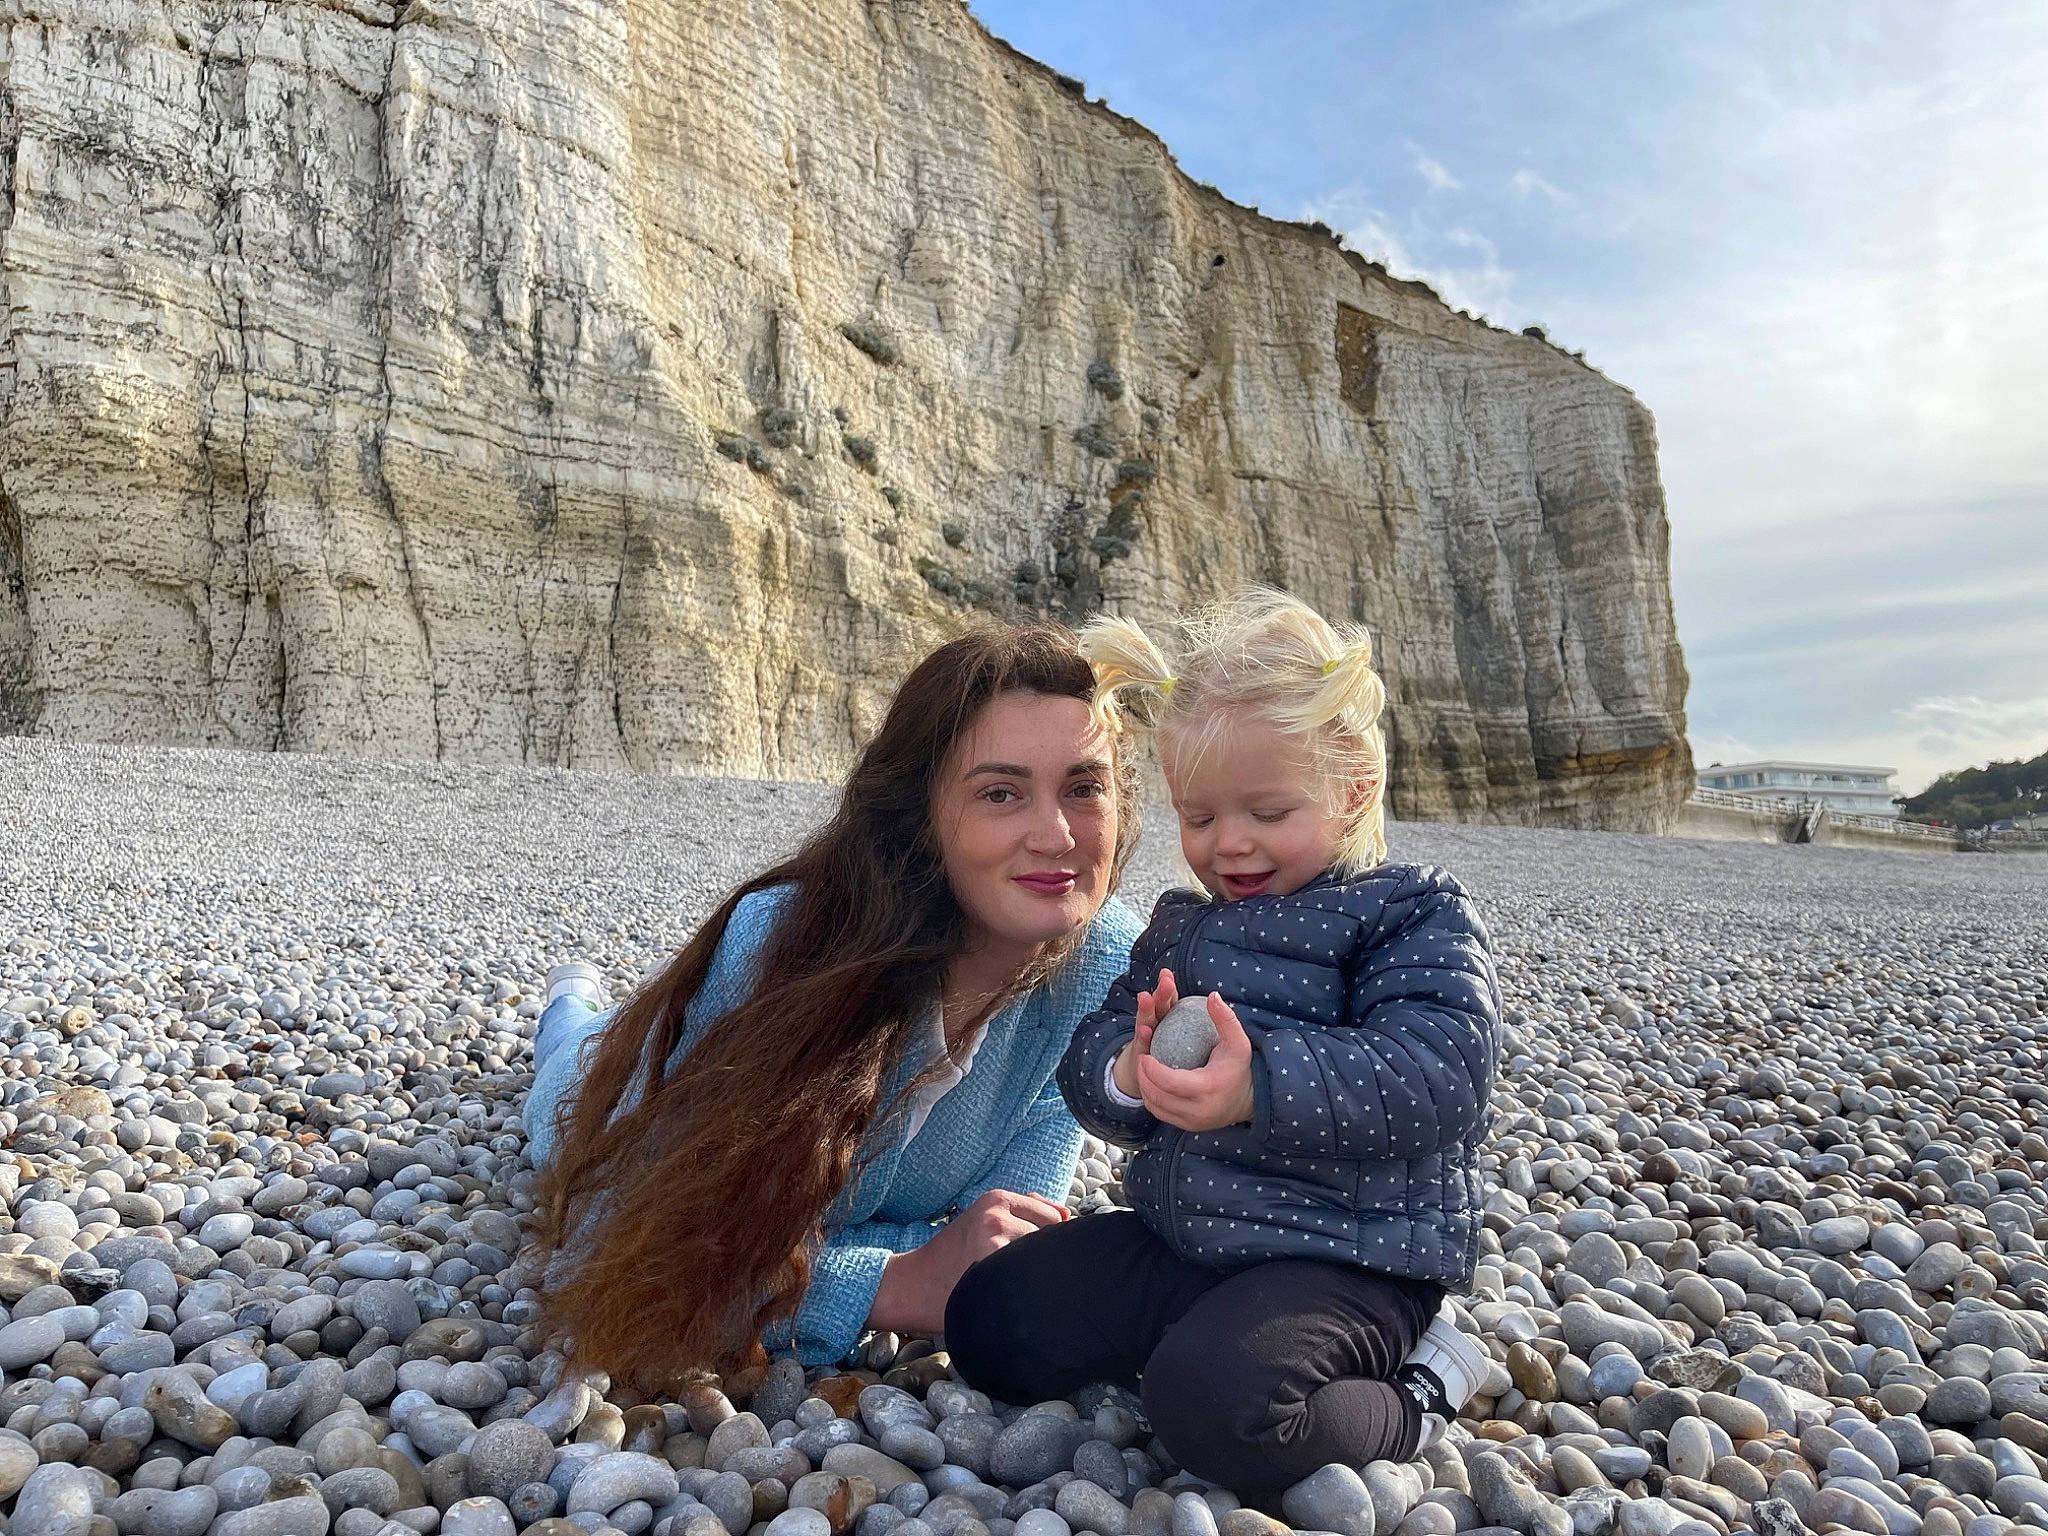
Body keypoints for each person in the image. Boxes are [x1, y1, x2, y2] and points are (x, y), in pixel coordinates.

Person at [945, 588, 1502, 1500]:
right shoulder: (1184, 929)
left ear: (1353, 787)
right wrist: (1127, 1072)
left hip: (1347, 1262)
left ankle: (1421, 1386)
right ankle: (1207, 1341)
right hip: (1187, 1242)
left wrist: (1260, 1087)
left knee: (1219, 1413)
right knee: (989, 1321)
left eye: (1268, 814)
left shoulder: (1408, 913)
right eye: (1199, 819)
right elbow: (1095, 1054)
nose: (1229, 845)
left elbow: (1441, 1074)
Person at [523, 623, 1149, 1384]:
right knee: (569, 1060)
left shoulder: (1110, 962)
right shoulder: (782, 947)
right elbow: (616, 1244)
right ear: (921, 822)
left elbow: (1001, 1244)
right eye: (1000, 793)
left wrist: (817, 1252)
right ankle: (568, 999)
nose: (1056, 836)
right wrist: (892, 1280)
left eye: (1084, 788)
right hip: (597, 1092)